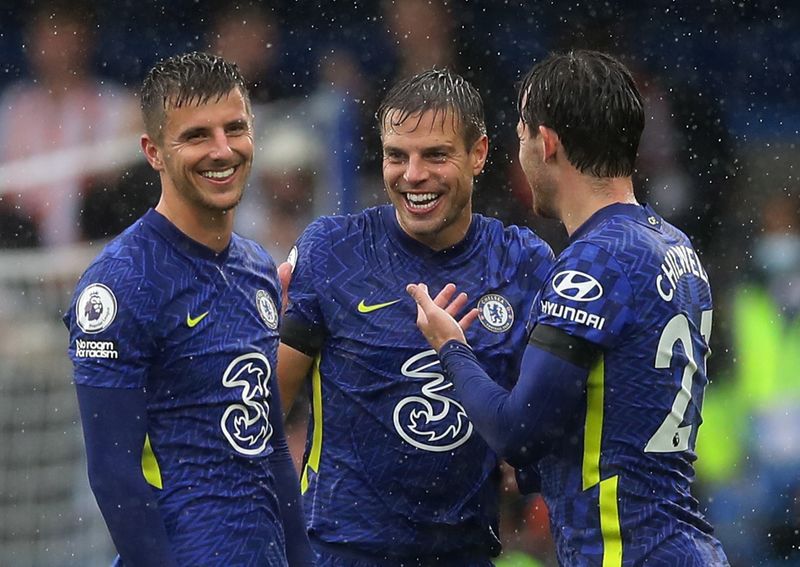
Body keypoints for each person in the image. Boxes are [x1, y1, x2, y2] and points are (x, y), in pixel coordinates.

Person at [407, 50, 730, 566]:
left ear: (547, 141)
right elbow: (619, 412)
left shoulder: (593, 264)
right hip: (680, 543)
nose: (521, 155)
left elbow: (518, 430)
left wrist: (452, 349)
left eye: (521, 137)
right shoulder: (675, 246)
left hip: (628, 553)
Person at [278, 68, 555, 565]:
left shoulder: (523, 263)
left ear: (479, 154)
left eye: (435, 155)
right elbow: (267, 408)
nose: (412, 176)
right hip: (341, 552)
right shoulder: (332, 251)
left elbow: (547, 421)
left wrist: (524, 460)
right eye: (396, 156)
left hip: (467, 554)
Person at [63, 52, 313, 566]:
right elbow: (113, 473)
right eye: (197, 135)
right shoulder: (120, 283)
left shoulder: (257, 269)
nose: (222, 150)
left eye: (235, 128)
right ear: (153, 152)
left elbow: (266, 444)